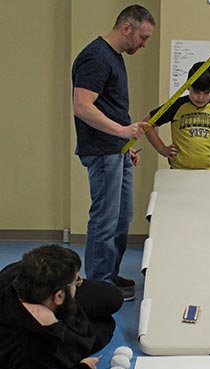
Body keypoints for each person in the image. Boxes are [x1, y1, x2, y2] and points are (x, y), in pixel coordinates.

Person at [72, 5, 155, 300]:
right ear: (126, 29)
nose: (144, 45)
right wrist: (121, 132)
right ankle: (98, 286)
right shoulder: (96, 57)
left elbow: (110, 108)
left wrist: (126, 145)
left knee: (122, 217)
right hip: (102, 151)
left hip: (116, 150)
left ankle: (108, 275)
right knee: (105, 218)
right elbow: (82, 106)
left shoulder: (114, 58)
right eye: (143, 38)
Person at [0, 244, 123, 369]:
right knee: (106, 325)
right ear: (59, 296)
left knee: (111, 298)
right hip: (46, 307)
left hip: (41, 292)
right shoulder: (31, 346)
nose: (79, 283)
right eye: (76, 281)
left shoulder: (25, 278)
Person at [144, 62, 210, 169]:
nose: (200, 97)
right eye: (196, 92)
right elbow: (147, 123)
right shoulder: (177, 105)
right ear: (188, 86)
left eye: (206, 93)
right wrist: (162, 149)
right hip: (180, 171)